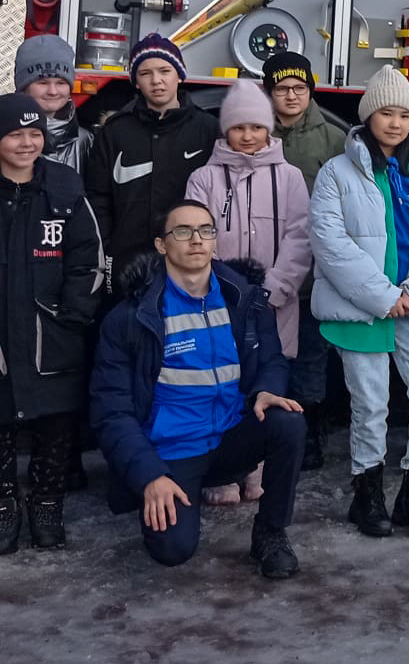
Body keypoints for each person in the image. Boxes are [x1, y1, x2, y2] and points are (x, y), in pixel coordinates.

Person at [91, 200, 305, 577]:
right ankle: (165, 495)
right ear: (161, 245)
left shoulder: (243, 300)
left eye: (206, 231)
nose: (196, 241)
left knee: (287, 421)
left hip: (229, 437)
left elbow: (271, 359)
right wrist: (149, 476)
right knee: (172, 550)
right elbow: (112, 412)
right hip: (171, 452)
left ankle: (271, 534)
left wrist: (268, 389)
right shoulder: (131, 316)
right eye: (183, 232)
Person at [309, 67, 409, 539]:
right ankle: (366, 494)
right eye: (386, 113)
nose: (395, 123)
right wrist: (384, 296)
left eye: (404, 115)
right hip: (363, 306)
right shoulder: (338, 172)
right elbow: (330, 243)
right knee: (370, 404)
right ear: (368, 114)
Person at [185, 81, 312, 505]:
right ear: (225, 130)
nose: (248, 136)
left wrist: (275, 287)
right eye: (238, 127)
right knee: (219, 385)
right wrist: (226, 290)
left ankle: (256, 470)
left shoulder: (289, 176)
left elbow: (300, 236)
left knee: (267, 383)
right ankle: (222, 471)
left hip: (275, 302)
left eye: (256, 127)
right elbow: (196, 235)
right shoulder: (204, 176)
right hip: (220, 302)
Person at [0, 94, 103, 554]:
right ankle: (3, 506)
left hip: (52, 332)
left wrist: (73, 313)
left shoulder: (63, 185)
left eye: (34, 134)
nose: (27, 143)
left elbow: (89, 258)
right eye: (15, 134)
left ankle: (47, 503)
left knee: (57, 422)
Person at [262, 50, 344, 471]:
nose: (291, 96)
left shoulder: (333, 139)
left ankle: (309, 433)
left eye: (299, 88)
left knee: (311, 356)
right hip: (265, 266)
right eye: (281, 89)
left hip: (312, 274)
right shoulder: (255, 132)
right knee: (268, 354)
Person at [85, 33, 218, 279]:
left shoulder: (208, 129)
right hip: (126, 258)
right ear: (135, 82)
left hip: (189, 261)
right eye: (146, 74)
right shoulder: (115, 131)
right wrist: (106, 245)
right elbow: (97, 196)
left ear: (180, 75)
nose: (157, 81)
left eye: (165, 71)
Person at [14, 35, 91, 171]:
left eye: (61, 83)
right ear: (23, 87)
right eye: (43, 83)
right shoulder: (6, 135)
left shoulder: (85, 140)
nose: (53, 91)